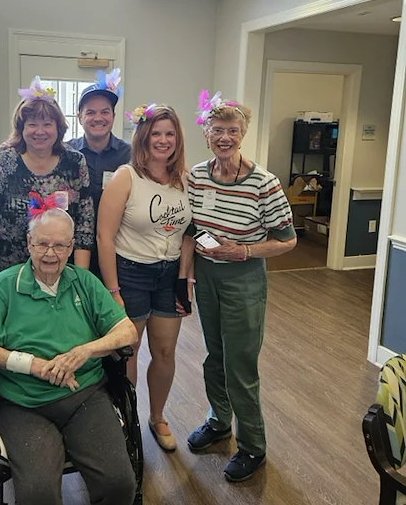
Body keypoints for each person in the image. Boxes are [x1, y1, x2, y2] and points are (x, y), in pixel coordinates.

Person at [0, 206, 138, 505]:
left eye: (60, 245)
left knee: (120, 482)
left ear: (72, 246)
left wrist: (84, 351)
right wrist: (35, 365)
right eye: (43, 244)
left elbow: (127, 333)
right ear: (29, 243)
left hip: (85, 395)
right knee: (39, 496)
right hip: (23, 403)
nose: (51, 253)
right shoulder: (6, 285)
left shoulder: (85, 283)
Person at [182, 91, 296, 482]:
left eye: (232, 129)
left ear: (243, 133)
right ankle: (218, 422)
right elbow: (192, 228)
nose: (225, 137)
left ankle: (253, 446)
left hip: (244, 279)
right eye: (218, 130)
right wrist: (192, 271)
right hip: (208, 275)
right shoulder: (197, 176)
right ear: (207, 134)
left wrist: (245, 250)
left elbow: (288, 240)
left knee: (240, 364)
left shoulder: (264, 183)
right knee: (214, 357)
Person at [97, 104, 192, 452]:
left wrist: (186, 278)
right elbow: (104, 237)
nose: (163, 140)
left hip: (169, 276)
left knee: (165, 350)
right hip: (131, 273)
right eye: (156, 133)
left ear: (177, 139)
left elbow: (188, 234)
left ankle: (157, 416)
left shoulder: (185, 180)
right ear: (144, 137)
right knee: (129, 352)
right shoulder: (127, 176)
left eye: (169, 134)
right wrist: (114, 290)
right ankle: (128, 421)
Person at [0, 77, 94, 295]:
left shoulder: (74, 162)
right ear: (21, 128)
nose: (40, 131)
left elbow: (84, 224)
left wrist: (80, 277)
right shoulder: (5, 160)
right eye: (32, 124)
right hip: (10, 272)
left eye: (47, 124)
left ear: (58, 128)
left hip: (60, 271)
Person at [68, 69, 131, 278]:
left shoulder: (131, 155)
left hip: (119, 252)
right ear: (80, 117)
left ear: (113, 116)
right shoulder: (66, 154)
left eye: (105, 112)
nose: (98, 118)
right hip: (72, 251)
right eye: (90, 112)